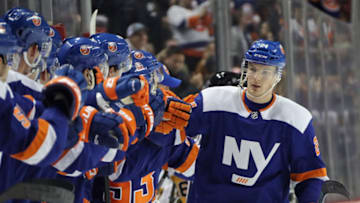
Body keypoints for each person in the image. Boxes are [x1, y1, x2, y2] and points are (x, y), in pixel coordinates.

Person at [186, 39, 328, 203]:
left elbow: (311, 175)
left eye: (265, 72)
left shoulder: (296, 120)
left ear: (277, 75)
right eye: (252, 69)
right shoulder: (212, 100)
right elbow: (175, 135)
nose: (256, 78)